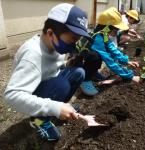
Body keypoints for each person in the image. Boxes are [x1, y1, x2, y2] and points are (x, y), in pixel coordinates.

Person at [4, 3, 90, 141]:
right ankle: (39, 120)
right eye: (73, 39)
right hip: (32, 91)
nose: (74, 45)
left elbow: (52, 66)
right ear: (51, 33)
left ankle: (60, 107)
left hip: (48, 84)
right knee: (62, 84)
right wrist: (54, 107)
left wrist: (65, 64)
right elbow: (11, 95)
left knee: (78, 72)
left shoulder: (54, 44)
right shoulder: (33, 54)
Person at [79, 7, 141, 96]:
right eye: (116, 28)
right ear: (108, 27)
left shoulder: (103, 34)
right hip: (78, 60)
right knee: (96, 56)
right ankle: (85, 79)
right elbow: (109, 60)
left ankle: (93, 73)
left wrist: (126, 60)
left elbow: (111, 48)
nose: (117, 31)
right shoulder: (97, 38)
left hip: (86, 57)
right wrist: (130, 76)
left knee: (98, 56)